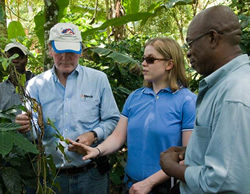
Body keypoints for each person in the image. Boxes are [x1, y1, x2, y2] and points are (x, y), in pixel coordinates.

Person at [67, 37, 197, 194]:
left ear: (169, 64)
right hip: (131, 186)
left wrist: (149, 183)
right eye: (143, 59)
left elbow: (187, 157)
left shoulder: (187, 101)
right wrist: (97, 151)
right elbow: (118, 137)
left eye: (150, 59)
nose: (143, 63)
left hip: (165, 188)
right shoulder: (135, 97)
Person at [15, 23, 120, 194]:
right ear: (50, 49)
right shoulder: (36, 85)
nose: (65, 57)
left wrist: (93, 135)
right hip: (51, 178)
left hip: (91, 175)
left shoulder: (98, 79)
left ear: (80, 50)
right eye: (60, 51)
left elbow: (113, 120)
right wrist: (25, 127)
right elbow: (33, 132)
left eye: (71, 51)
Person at [160, 5, 250, 194]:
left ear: (212, 38)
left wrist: (172, 168)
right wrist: (192, 151)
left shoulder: (234, 94)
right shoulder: (224, 84)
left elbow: (225, 182)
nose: (188, 53)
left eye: (191, 43)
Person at [0, 42, 34, 114]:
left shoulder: (38, 84)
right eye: (10, 57)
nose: (15, 60)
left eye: (20, 57)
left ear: (26, 60)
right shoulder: (1, 89)